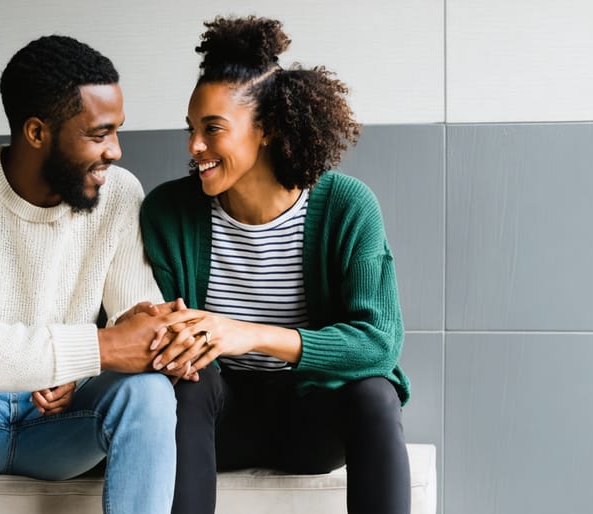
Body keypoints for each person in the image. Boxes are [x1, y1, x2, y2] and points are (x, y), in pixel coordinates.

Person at [0, 35, 183, 514]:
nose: (116, 151)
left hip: (62, 425)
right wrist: (94, 348)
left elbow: (135, 323)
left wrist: (148, 344)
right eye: (98, 133)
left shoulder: (121, 194)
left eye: (117, 131)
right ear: (37, 133)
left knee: (149, 393)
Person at [141, 16, 412, 514]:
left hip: (310, 427)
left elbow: (379, 342)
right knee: (188, 384)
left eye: (212, 129)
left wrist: (249, 333)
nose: (193, 146)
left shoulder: (346, 206)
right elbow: (163, 338)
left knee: (375, 394)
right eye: (191, 129)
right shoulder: (168, 212)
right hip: (212, 426)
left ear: (264, 130)